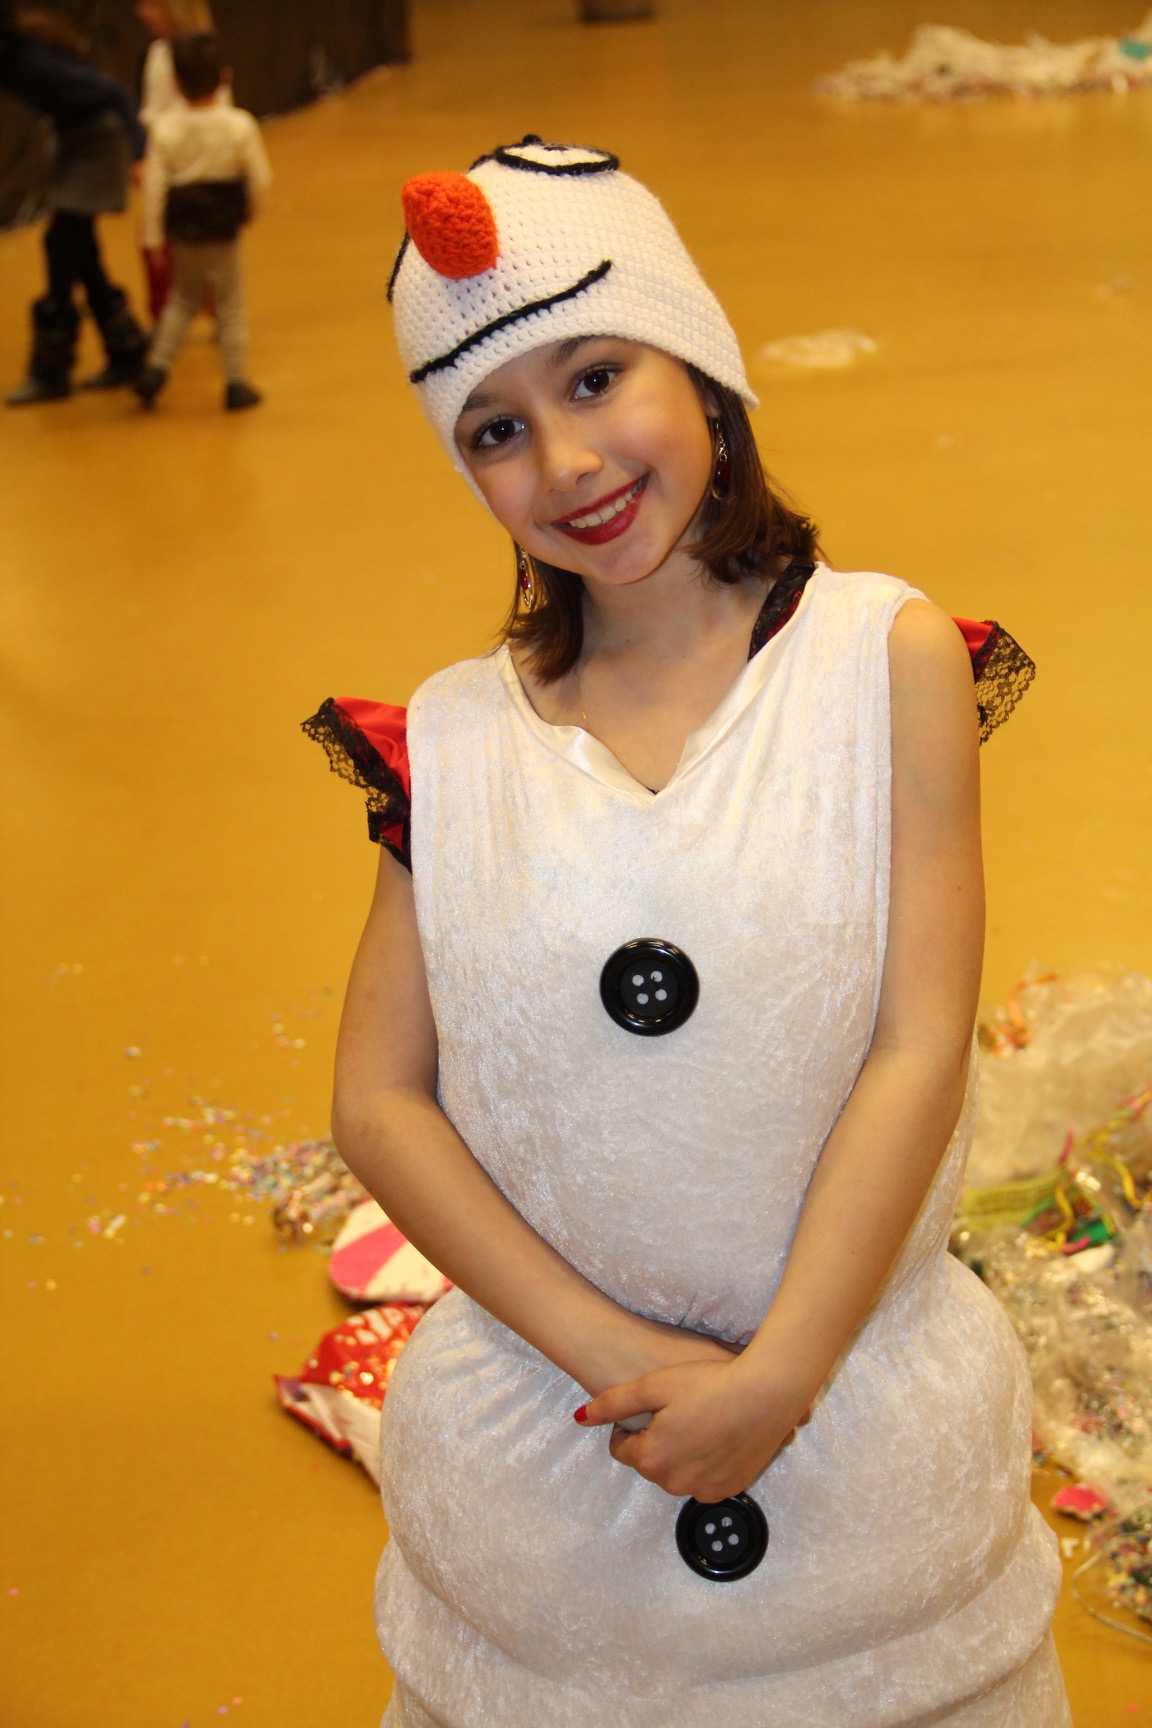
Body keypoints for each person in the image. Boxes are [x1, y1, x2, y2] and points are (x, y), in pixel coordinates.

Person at [304, 137, 1069, 1727]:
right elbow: (377, 1098)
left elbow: (918, 1043)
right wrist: (603, 1348)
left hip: (865, 1482)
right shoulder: (453, 742)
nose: (568, 460)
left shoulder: (886, 661)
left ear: (700, 358)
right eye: (496, 429)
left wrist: (782, 1375)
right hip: (552, 1518)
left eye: (598, 377)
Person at [1, 2, 149, 403]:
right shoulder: (13, 52)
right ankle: (126, 350)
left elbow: (115, 93)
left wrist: (140, 154)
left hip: (99, 142)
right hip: (73, 138)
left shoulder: (32, 60)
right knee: (82, 253)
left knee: (61, 243)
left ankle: (51, 370)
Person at [133, 29, 269, 412]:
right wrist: (250, 212)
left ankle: (157, 368)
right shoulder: (239, 125)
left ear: (176, 82)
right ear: (225, 77)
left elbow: (155, 188)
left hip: (183, 232)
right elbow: (260, 179)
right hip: (222, 231)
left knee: (181, 300)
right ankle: (236, 382)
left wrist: (153, 238)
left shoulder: (165, 129)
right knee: (230, 305)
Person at [133, 0, 228, 321]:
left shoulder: (205, 51)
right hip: (166, 161)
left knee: (208, 250)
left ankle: (216, 309)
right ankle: (166, 314)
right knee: (154, 241)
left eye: (152, 5)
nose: (142, 12)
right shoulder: (158, 53)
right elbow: (153, 115)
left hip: (197, 167)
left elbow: (220, 111)